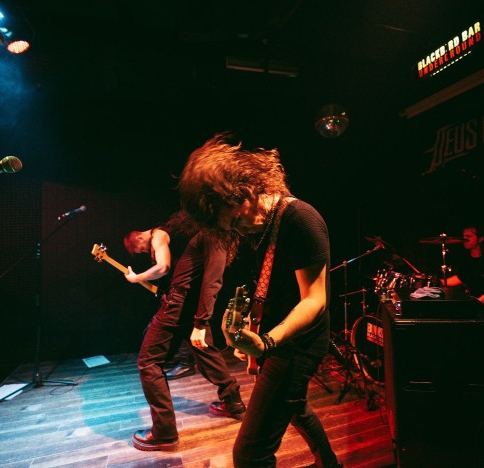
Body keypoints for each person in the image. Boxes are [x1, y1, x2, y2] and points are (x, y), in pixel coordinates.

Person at [178, 133, 342, 467]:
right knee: (296, 407)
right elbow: (272, 290)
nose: (239, 230)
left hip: (298, 345)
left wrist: (266, 342)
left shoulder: (301, 220)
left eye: (236, 219)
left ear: (246, 190)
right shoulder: (266, 226)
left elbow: (315, 300)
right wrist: (251, 333)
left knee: (250, 454)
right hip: (277, 338)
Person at [125, 214, 245, 452]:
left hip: (179, 305)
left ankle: (164, 433)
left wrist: (201, 322)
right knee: (207, 354)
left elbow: (210, 281)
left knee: (149, 362)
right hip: (188, 305)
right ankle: (234, 404)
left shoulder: (205, 235)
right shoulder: (210, 235)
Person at [123, 216, 196, 380]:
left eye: (141, 249)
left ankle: (186, 363)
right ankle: (184, 362)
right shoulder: (155, 240)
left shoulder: (158, 236)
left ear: (139, 237)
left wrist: (138, 278)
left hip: (186, 289)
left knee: (178, 326)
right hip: (178, 289)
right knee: (182, 327)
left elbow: (164, 267)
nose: (144, 251)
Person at [442, 224, 484, 311]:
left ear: (480, 239)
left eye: (468, 236)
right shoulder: (466, 260)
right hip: (475, 303)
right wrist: (437, 281)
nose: (464, 239)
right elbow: (460, 278)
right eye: (463, 236)